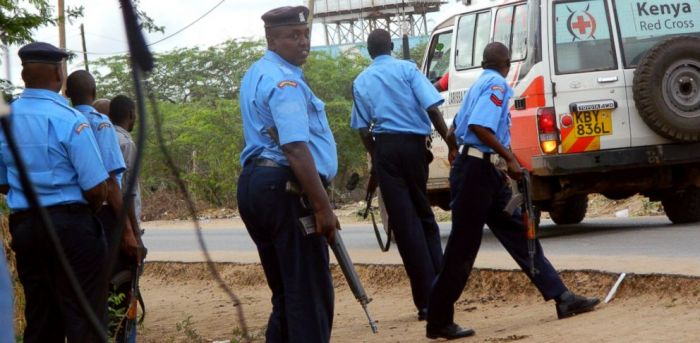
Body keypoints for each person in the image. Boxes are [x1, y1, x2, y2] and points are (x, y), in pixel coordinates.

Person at [425, 42, 599, 340]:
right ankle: (439, 320)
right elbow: (481, 126)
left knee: (520, 233)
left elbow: (455, 130)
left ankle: (562, 297)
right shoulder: (497, 84)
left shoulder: (478, 83)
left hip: (481, 172)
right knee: (462, 248)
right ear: (506, 64)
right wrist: (509, 158)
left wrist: (458, 151)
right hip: (478, 174)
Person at [237, 6, 339, 342]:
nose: (303, 42)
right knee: (308, 295)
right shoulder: (285, 81)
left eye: (305, 34)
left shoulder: (256, 72)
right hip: (285, 188)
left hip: (258, 185)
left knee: (287, 293)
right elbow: (295, 147)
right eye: (292, 36)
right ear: (272, 39)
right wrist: (323, 207)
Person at [0, 42, 110, 343]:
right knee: (84, 318)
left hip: (26, 228)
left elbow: (1, 182)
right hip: (71, 227)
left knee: (41, 317)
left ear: (23, 73)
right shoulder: (70, 119)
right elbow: (96, 188)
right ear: (59, 72)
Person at [350, 28, 458, 321]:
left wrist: (377, 157)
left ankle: (425, 303)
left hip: (385, 148)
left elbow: (361, 128)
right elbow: (434, 111)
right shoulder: (408, 70)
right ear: (392, 46)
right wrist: (451, 144)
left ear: (369, 52)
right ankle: (442, 294)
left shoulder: (361, 81)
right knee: (424, 216)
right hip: (413, 148)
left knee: (405, 226)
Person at [108, 95, 143, 341]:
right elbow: (126, 191)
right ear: (130, 114)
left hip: (105, 225)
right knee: (127, 289)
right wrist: (132, 232)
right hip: (124, 227)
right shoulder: (125, 142)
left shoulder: (103, 136)